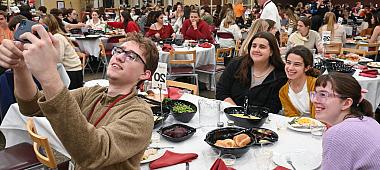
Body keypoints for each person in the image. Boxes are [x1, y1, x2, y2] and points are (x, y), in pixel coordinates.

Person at [0, 26, 158, 169]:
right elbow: (31, 107)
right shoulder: (93, 93)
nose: (120, 57)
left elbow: (93, 154)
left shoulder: (141, 115)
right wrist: (20, 67)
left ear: (145, 74)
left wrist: (49, 74)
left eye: (131, 56)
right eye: (119, 51)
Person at [311, 72, 380, 169]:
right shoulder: (369, 121)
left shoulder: (337, 134)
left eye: (323, 94)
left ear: (346, 103)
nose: (314, 100)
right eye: (314, 94)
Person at [216, 32, 287, 114]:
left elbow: (274, 107)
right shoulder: (236, 64)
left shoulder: (280, 76)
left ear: (271, 52)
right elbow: (221, 91)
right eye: (254, 46)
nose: (256, 50)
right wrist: (237, 111)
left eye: (262, 47)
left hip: (261, 121)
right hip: (231, 114)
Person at [40, 14, 83, 90]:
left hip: (72, 72)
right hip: (71, 70)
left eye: (41, 26)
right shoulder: (55, 36)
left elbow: (58, 59)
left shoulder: (57, 37)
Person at [279, 45, 318, 118]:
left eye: (297, 64)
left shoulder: (316, 85)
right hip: (298, 127)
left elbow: (322, 114)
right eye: (288, 63)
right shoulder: (283, 92)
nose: (290, 68)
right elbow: (291, 116)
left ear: (307, 68)